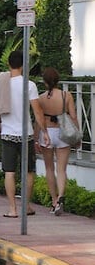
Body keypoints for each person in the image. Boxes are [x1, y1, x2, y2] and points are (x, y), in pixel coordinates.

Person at [0, 50, 42, 218]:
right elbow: (37, 111)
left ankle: (12, 209)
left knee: (9, 171)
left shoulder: (0, 84)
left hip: (7, 133)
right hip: (26, 134)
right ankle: (26, 206)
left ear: (8, 64)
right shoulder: (29, 85)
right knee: (28, 171)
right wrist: (43, 132)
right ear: (23, 65)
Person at [35, 67, 80, 216]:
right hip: (63, 134)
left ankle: (54, 201)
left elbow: (38, 120)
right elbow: (73, 116)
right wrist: (77, 135)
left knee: (49, 168)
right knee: (61, 169)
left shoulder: (40, 98)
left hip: (46, 133)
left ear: (45, 82)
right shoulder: (66, 95)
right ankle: (61, 197)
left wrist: (36, 138)